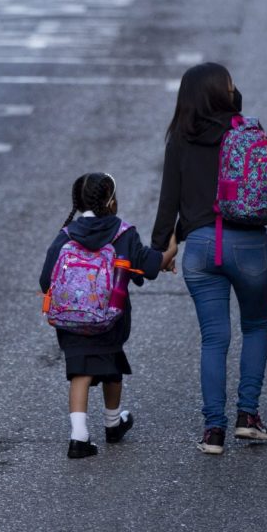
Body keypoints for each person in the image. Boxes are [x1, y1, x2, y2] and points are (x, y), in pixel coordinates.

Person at [152, 63, 267, 455]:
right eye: (231, 85)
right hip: (249, 245)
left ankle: (213, 430)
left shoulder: (180, 140)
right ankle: (248, 416)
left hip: (200, 247)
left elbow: (169, 201)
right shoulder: (249, 134)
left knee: (214, 339)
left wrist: (162, 245)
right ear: (224, 93)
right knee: (255, 326)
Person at [39, 172, 174, 458]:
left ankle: (78, 436)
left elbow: (44, 280)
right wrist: (171, 249)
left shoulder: (65, 235)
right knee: (112, 365)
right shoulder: (123, 233)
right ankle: (113, 423)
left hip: (70, 322)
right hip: (110, 320)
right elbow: (151, 266)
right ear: (111, 202)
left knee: (80, 372)